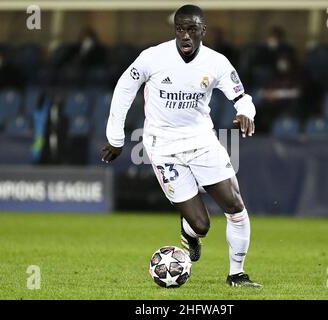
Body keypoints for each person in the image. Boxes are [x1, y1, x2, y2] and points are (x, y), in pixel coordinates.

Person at [102, 4, 261, 288]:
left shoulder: (217, 63)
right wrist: (116, 137)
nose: (185, 36)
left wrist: (247, 112)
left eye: (191, 29)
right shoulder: (152, 57)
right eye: (180, 29)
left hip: (202, 142)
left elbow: (241, 96)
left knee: (235, 207)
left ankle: (237, 274)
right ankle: (190, 234)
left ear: (203, 30)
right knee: (201, 225)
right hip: (163, 147)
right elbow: (125, 87)